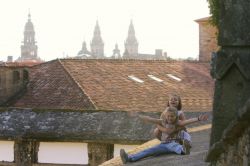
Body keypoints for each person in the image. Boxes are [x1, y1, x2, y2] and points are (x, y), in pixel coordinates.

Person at [120, 106, 208, 164]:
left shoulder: (178, 123)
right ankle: (129, 158)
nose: (170, 118)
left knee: (175, 146)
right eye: (168, 116)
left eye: (172, 116)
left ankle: (184, 150)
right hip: (163, 144)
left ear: (176, 117)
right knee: (149, 151)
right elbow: (150, 119)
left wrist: (198, 119)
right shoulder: (162, 122)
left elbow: (187, 121)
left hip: (174, 143)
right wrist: (138, 115)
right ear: (166, 116)